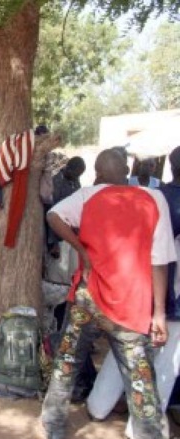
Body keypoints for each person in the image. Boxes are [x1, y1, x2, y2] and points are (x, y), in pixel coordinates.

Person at [40, 149, 175, 439]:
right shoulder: (154, 199)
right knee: (140, 375)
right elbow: (159, 261)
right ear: (126, 171)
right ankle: (148, 432)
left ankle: (53, 424)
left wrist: (80, 249)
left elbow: (53, 215)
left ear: (98, 174)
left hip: (88, 298)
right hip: (132, 303)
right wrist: (159, 313)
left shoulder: (88, 196)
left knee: (67, 362)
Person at [86, 146, 180, 439]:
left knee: (124, 350)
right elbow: (161, 259)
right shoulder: (165, 202)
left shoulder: (153, 196)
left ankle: (98, 405)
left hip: (133, 290)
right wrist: (161, 309)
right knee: (167, 363)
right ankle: (141, 427)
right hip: (168, 296)